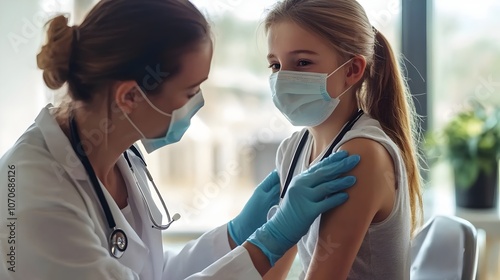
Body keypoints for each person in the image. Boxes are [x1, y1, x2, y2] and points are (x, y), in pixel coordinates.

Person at [0, 0, 363, 279]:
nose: (197, 106)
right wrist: (267, 244)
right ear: (129, 97)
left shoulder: (119, 157)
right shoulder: (32, 198)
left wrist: (236, 234)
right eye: (189, 91)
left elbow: (152, 273)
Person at [262, 0, 424, 279]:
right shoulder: (293, 149)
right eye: (276, 65)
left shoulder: (362, 153)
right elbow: (275, 266)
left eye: (302, 62)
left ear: (352, 70)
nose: (284, 77)